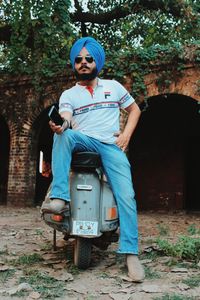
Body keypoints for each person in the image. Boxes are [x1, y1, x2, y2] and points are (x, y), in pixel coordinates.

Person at [43, 37, 145, 282]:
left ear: (97, 61)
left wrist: (127, 136)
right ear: (73, 63)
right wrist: (62, 125)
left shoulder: (114, 87)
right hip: (83, 141)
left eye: (89, 59)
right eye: (78, 59)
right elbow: (66, 116)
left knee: (126, 195)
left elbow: (134, 110)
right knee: (63, 135)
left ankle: (131, 254)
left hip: (110, 145)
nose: (84, 63)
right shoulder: (69, 93)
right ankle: (60, 197)